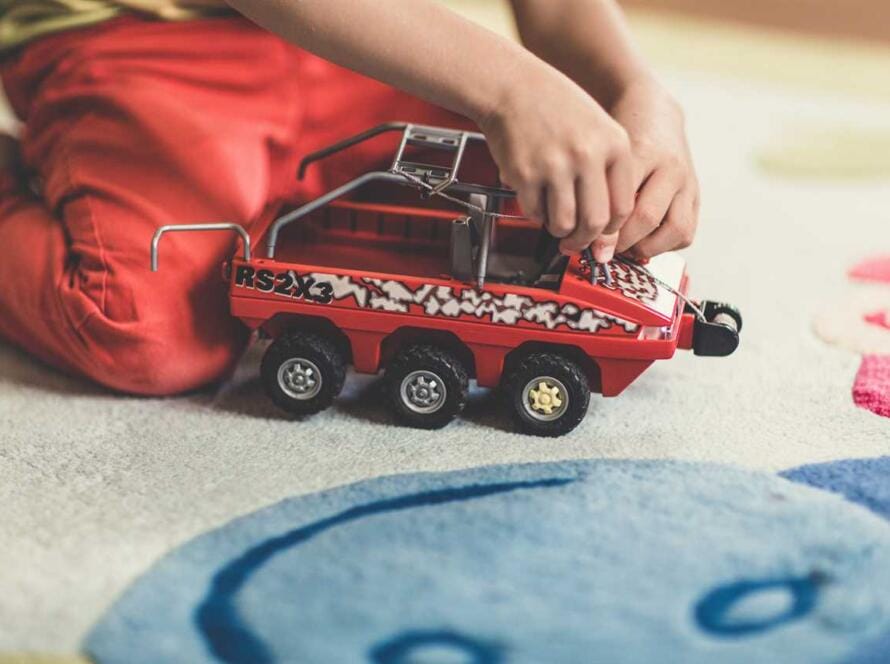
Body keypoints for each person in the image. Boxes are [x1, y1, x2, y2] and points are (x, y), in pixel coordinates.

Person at [0, 0, 699, 395]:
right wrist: (510, 88)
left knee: (559, 168)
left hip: (373, 33)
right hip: (139, 40)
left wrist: (635, 92)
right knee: (143, 326)